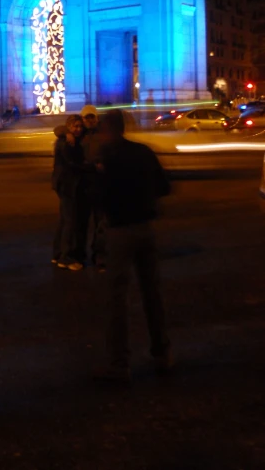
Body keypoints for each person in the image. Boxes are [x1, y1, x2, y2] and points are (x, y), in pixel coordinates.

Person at [93, 109, 173, 383]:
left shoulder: (107, 157)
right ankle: (162, 354)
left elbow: (98, 196)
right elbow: (165, 187)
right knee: (152, 294)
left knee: (117, 299)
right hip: (146, 230)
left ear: (108, 129)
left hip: (119, 232)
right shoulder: (143, 152)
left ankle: (119, 365)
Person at [53, 104, 106, 270]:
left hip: (96, 186)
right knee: (73, 222)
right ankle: (68, 255)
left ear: (97, 118)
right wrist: (65, 132)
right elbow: (60, 129)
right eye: (86, 118)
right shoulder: (73, 136)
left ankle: (96, 257)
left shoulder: (101, 134)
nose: (89, 121)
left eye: (92, 117)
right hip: (76, 185)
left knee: (99, 224)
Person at [51, 114, 94, 271]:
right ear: (69, 127)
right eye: (75, 126)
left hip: (65, 184)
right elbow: (73, 164)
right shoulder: (67, 143)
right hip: (69, 185)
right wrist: (93, 167)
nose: (78, 129)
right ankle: (66, 258)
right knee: (71, 221)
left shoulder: (67, 138)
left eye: (79, 126)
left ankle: (57, 254)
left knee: (64, 220)